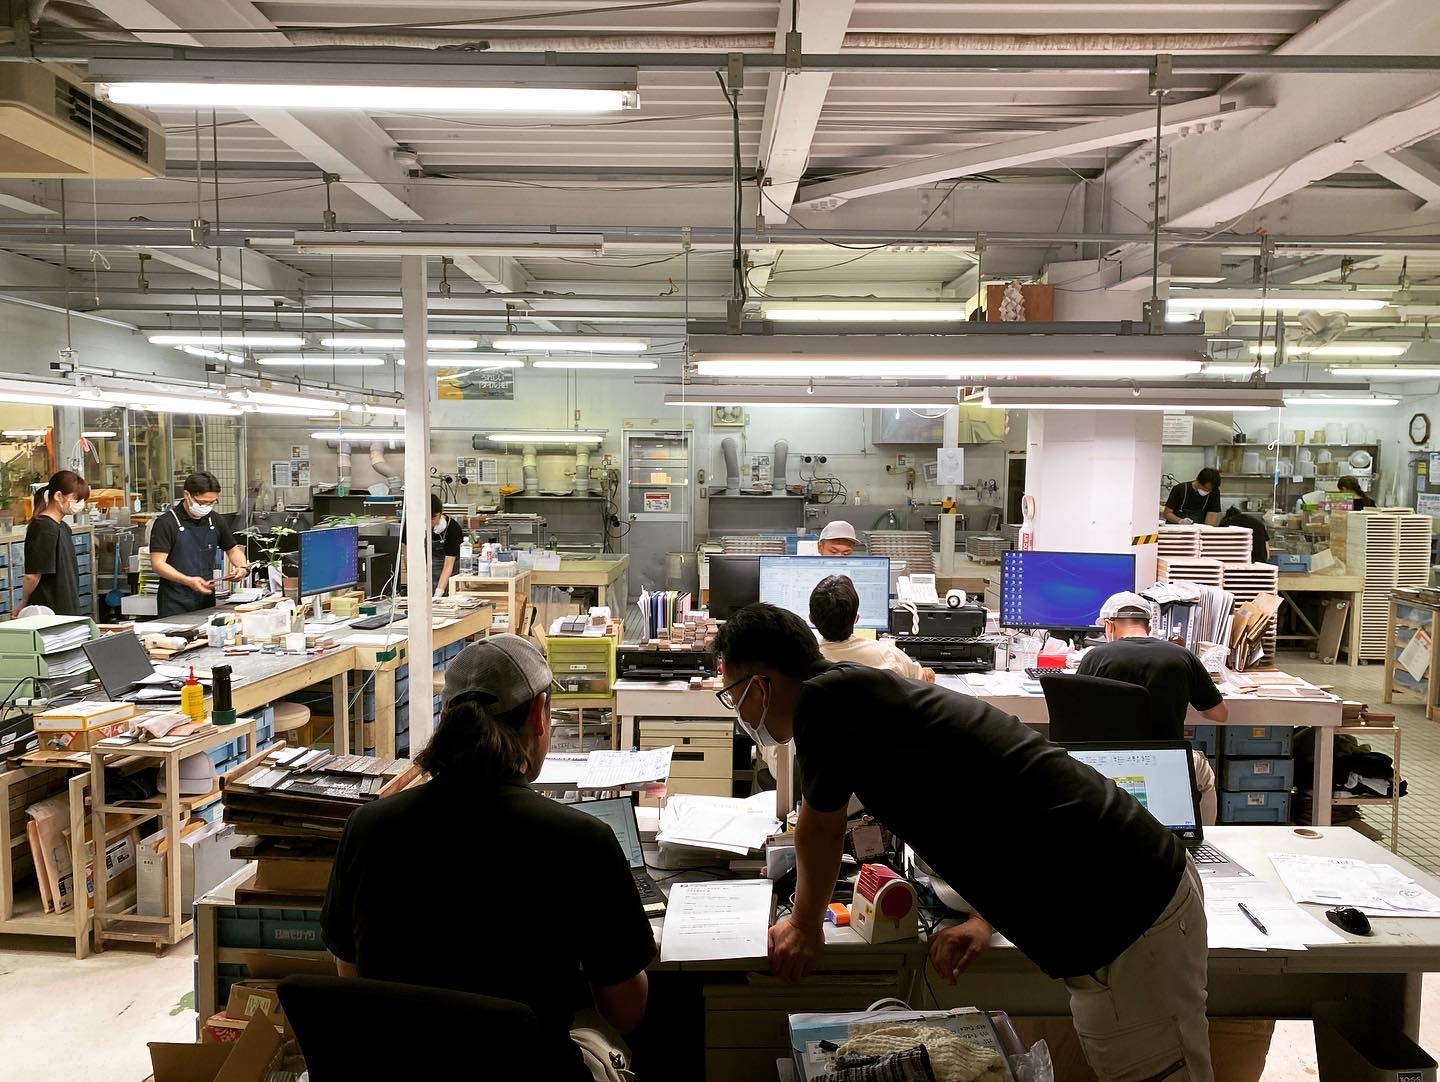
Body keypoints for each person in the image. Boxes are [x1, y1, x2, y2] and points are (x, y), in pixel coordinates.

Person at [714, 604, 1213, 1082]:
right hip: (1129, 898)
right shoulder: (857, 692)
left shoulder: (824, 702)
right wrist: (983, 917)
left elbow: (820, 828)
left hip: (1132, 918)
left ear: (762, 683)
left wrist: (804, 926)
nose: (738, 709)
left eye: (734, 694)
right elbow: (992, 807)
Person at [321, 635, 655, 1081]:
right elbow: (626, 1011)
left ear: (447, 721)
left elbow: (353, 978)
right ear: (539, 715)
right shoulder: (582, 840)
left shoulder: (366, 828)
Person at [1077, 591, 1227, 825]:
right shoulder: (1183, 656)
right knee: (1204, 774)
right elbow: (1219, 714)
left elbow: (1079, 712)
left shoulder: (1095, 658)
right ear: (1148, 625)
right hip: (1166, 760)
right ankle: (1201, 838)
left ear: (1109, 625)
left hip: (1109, 762)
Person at [148, 471, 249, 617]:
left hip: (206, 599)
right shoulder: (166, 523)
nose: (207, 506)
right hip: (175, 601)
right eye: (202, 502)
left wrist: (242, 567)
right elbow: (158, 564)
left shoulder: (215, 520)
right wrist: (188, 581)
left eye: (212, 502)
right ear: (187, 495)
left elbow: (233, 549)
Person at [809, 575, 934, 682]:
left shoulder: (805, 661)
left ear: (811, 619)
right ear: (856, 618)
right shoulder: (888, 654)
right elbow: (925, 680)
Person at [21, 471, 89, 616]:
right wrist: (25, 603)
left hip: (59, 608)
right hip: (50, 610)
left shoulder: (58, 527)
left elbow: (32, 575)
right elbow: (32, 576)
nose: (80, 504)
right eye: (76, 499)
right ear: (58, 496)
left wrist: (23, 602)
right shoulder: (45, 528)